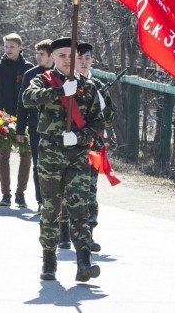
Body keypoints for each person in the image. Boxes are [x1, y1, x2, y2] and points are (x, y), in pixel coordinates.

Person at [22, 37, 103, 282]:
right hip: (50, 153)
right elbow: (28, 98)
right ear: (53, 58)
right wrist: (59, 92)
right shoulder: (43, 80)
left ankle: (84, 260)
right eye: (62, 56)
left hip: (77, 153)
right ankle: (49, 258)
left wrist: (79, 137)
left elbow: (97, 122)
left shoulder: (88, 87)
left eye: (71, 55)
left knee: (80, 206)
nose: (68, 60)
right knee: (52, 207)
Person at [58, 42, 115, 252]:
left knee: (90, 191)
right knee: (66, 190)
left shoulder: (98, 86)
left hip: (91, 145)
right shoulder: (65, 83)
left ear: (92, 60)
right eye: (79, 58)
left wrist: (100, 106)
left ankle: (88, 235)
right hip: (68, 146)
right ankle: (64, 232)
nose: (83, 62)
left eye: (87, 58)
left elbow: (109, 117)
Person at [0, 33, 34, 207]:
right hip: (3, 118)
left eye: (12, 46)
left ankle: (20, 193)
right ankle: (5, 194)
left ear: (20, 48)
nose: (9, 50)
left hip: (25, 117)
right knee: (4, 156)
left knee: (25, 156)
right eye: (6, 46)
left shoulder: (28, 68)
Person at [15, 39, 54, 213]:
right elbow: (22, 104)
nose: (38, 57)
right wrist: (20, 129)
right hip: (36, 126)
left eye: (42, 54)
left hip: (56, 127)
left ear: (51, 55)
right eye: (37, 53)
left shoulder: (60, 74)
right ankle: (41, 200)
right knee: (38, 164)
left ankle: (55, 200)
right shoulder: (30, 74)